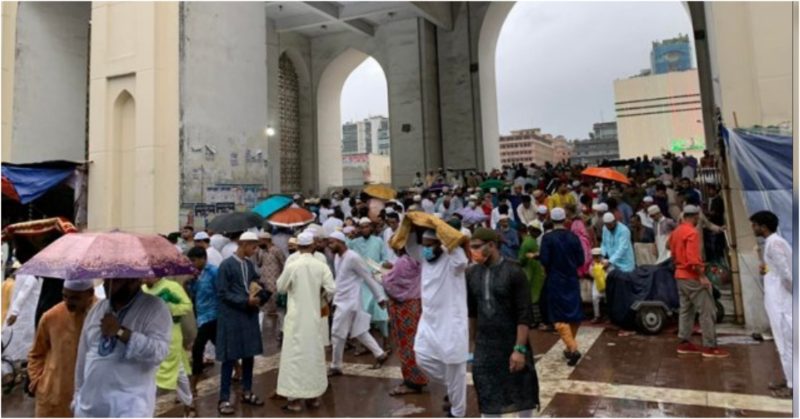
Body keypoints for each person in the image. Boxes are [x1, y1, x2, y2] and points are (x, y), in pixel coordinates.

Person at [72, 278, 172, 417]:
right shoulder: (98, 310)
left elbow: (159, 352)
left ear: (133, 281)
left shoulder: (155, 308)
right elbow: (83, 356)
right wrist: (77, 397)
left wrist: (121, 332)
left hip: (129, 408)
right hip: (89, 407)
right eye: (106, 279)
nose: (107, 284)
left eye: (115, 280)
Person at [467, 228, 540, 416]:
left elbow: (524, 314)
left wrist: (519, 349)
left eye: (477, 247)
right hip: (485, 345)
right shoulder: (471, 274)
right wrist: (471, 345)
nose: (473, 251)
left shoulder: (514, 272)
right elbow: (472, 312)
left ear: (491, 246)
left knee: (522, 394)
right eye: (471, 248)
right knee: (487, 394)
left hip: (512, 342)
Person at [401, 229, 469, 417]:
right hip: (429, 322)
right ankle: (452, 388)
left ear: (441, 245)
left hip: (451, 324)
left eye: (430, 245)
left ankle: (458, 412)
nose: (426, 249)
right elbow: (410, 245)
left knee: (456, 371)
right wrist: (412, 224)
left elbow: (462, 260)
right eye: (424, 245)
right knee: (422, 357)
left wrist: (443, 233)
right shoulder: (424, 259)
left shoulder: (452, 261)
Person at [275, 232, 336, 412]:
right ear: (313, 245)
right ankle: (314, 398)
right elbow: (332, 288)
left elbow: (280, 287)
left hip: (295, 318)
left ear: (298, 246)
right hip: (314, 317)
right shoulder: (321, 265)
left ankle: (293, 401)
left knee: (293, 358)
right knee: (313, 355)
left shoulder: (293, 265)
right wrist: (320, 296)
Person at [215, 232, 269, 415]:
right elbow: (222, 294)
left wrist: (261, 294)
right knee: (229, 359)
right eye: (253, 247)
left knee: (249, 355)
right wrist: (244, 301)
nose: (255, 251)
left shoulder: (248, 264)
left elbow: (255, 283)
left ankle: (247, 391)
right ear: (243, 244)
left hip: (248, 316)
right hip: (231, 317)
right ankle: (223, 398)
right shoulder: (226, 266)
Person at [27, 280, 95, 417]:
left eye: (75, 298)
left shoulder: (102, 316)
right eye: (65, 296)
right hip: (53, 396)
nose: (68, 302)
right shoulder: (51, 317)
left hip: (90, 396)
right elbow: (36, 354)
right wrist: (38, 383)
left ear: (90, 294)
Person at [327, 232, 391, 376]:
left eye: (332, 242)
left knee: (337, 333)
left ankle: (336, 366)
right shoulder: (337, 257)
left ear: (341, 242)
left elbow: (367, 277)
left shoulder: (353, 257)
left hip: (350, 302)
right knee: (359, 331)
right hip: (342, 299)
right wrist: (333, 296)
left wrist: (380, 298)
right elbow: (340, 280)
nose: (329, 246)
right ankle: (380, 354)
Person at [670, 205, 728, 358]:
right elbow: (693, 259)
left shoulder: (676, 231)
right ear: (695, 217)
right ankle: (710, 346)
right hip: (692, 275)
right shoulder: (692, 232)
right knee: (707, 310)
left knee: (686, 310)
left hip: (679, 274)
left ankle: (684, 342)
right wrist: (702, 276)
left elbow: (670, 248)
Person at [749, 211, 792, 399]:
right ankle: (790, 379)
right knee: (783, 343)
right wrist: (766, 269)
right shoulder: (773, 243)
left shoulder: (774, 244)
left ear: (763, 227)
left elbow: (787, 274)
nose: (753, 229)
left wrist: (788, 297)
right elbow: (777, 269)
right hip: (778, 299)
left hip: (782, 302)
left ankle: (793, 386)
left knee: (786, 344)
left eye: (755, 225)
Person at [142, 276, 196, 416]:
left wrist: (168, 308)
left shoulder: (172, 287)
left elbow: (187, 306)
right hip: (149, 337)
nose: (144, 278)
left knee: (178, 372)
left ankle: (188, 404)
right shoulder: (141, 290)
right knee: (148, 374)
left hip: (170, 336)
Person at [539, 208, 585, 366]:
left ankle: (572, 348)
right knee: (574, 313)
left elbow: (544, 260)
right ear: (566, 219)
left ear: (551, 220)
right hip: (572, 279)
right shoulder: (573, 237)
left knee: (558, 317)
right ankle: (569, 346)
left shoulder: (548, 238)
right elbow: (581, 259)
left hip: (556, 279)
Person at [382, 246, 429, 396]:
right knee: (416, 343)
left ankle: (413, 381)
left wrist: (382, 276)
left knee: (406, 345)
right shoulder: (418, 260)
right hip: (416, 304)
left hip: (404, 307)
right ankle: (418, 376)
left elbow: (391, 284)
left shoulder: (403, 262)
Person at [347, 218, 390, 348]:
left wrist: (377, 266)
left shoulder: (379, 241)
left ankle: (386, 343)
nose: (365, 229)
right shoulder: (353, 243)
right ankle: (365, 345)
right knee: (363, 313)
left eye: (367, 227)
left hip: (375, 280)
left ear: (370, 228)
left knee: (381, 314)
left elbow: (385, 259)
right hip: (361, 282)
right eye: (362, 227)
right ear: (359, 229)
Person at [186, 247, 219, 396]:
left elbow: (221, 291)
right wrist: (189, 282)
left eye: (194, 261)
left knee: (197, 348)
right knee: (220, 345)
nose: (192, 264)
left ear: (203, 259)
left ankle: (193, 384)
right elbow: (192, 294)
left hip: (213, 315)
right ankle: (237, 367)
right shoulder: (194, 275)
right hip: (200, 315)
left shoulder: (213, 272)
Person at [519, 221, 545, 327]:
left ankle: (534, 320)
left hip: (534, 272)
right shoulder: (529, 242)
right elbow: (521, 259)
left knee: (534, 296)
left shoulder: (530, 241)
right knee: (533, 297)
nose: (537, 233)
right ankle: (535, 320)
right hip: (532, 272)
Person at [255, 231, 286, 317]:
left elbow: (283, 263)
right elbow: (259, 264)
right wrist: (256, 253)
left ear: (266, 240)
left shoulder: (276, 250)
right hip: (265, 279)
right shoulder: (262, 251)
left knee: (275, 299)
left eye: (260, 241)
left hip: (275, 279)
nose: (259, 243)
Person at [588, 249, 607, 323]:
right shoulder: (592, 264)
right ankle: (597, 316)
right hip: (596, 283)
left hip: (606, 284)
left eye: (598, 256)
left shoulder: (606, 262)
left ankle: (608, 316)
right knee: (595, 298)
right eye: (594, 256)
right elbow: (591, 274)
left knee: (607, 300)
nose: (596, 258)